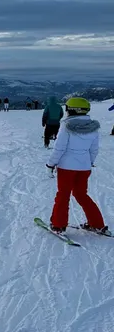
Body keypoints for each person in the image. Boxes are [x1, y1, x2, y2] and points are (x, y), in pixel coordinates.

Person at [46, 97, 109, 234]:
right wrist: (89, 163)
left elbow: (59, 149)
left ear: (71, 110)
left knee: (63, 195)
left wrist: (50, 164)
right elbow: (94, 150)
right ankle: (97, 224)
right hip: (84, 167)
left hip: (66, 168)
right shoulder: (93, 127)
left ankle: (58, 225)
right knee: (81, 194)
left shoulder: (66, 126)